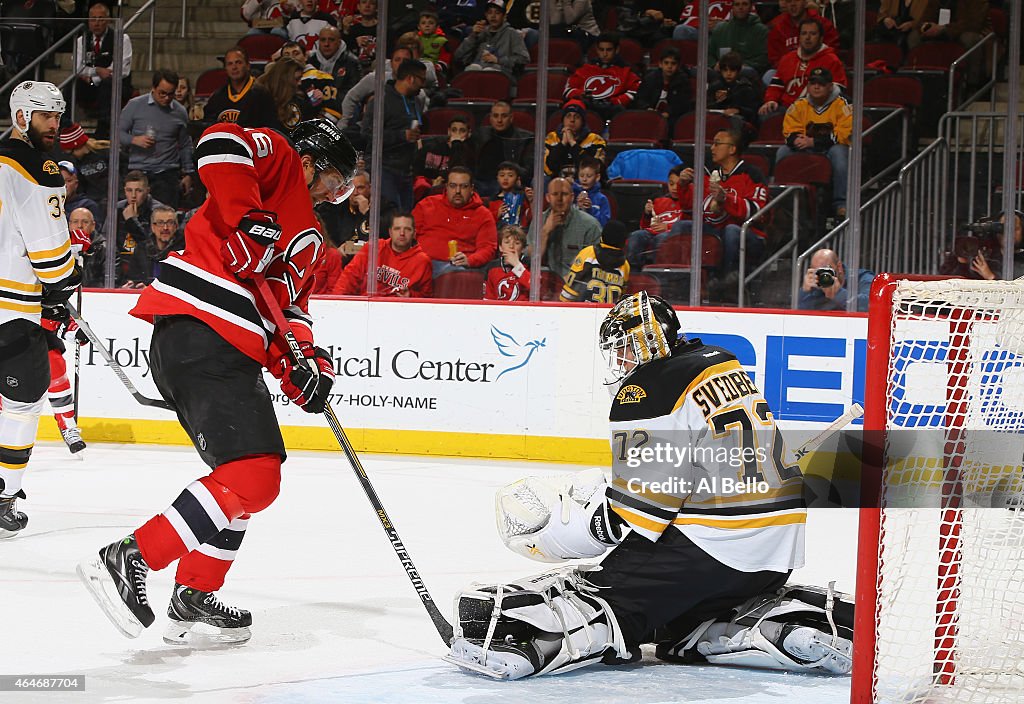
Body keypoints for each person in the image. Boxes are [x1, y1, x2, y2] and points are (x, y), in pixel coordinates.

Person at [447, 291, 854, 679]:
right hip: (775, 551)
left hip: (713, 546)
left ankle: (522, 641)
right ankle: (773, 627)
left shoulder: (645, 390)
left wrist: (571, 530)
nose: (621, 359)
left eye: (625, 346)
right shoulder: (720, 362)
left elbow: (641, 507)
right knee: (676, 626)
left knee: (602, 598)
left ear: (648, 341)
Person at [77, 118, 358, 644]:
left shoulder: (309, 238)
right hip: (199, 329)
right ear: (313, 161)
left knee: (240, 479)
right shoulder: (278, 162)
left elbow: (288, 312)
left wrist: (304, 367)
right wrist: (249, 218)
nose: (330, 194)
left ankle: (195, 593)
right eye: (332, 179)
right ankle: (133, 555)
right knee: (255, 476)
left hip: (223, 347)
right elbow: (220, 140)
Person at [0, 82, 83, 537]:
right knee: (23, 399)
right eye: (44, 116)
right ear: (20, 117)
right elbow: (51, 253)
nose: (54, 124)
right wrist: (62, 282)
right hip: (13, 307)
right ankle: (3, 495)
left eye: (57, 115)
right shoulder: (38, 167)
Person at [676, 128, 768, 286]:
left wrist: (726, 199)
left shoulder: (751, 174)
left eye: (717, 144)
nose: (712, 148)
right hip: (714, 230)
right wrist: (683, 185)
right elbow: (689, 207)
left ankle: (725, 283)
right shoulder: (708, 174)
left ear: (732, 149)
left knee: (731, 231)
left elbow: (758, 212)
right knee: (682, 226)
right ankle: (677, 281)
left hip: (747, 234)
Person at [776, 67, 852, 218]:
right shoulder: (799, 104)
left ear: (830, 86)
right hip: (806, 146)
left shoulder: (843, 104)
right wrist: (796, 139)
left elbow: (845, 132)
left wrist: (814, 142)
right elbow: (789, 129)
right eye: (813, 83)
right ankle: (780, 200)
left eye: (822, 84)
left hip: (831, 148)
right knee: (783, 151)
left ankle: (841, 203)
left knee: (840, 153)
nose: (816, 87)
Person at [119, 69, 196, 209]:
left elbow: (185, 145)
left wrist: (188, 173)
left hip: (167, 175)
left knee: (165, 218)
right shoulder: (134, 105)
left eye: (170, 94)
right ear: (153, 88)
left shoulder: (180, 112)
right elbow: (117, 133)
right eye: (162, 93)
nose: (166, 98)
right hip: (138, 172)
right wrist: (134, 140)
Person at [362, 59, 427, 212]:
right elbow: (366, 133)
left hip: (406, 170)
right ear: (410, 78)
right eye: (421, 79)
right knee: (390, 217)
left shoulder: (416, 101)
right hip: (384, 169)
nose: (423, 84)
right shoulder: (380, 101)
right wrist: (401, 136)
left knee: (405, 217)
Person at [413, 167, 498, 276]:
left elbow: (488, 248)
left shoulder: (483, 214)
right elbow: (409, 235)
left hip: (456, 268)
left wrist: (470, 260)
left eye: (464, 186)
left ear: (472, 189)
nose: (457, 191)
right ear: (446, 187)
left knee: (456, 274)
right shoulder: (426, 205)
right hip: (421, 262)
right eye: (453, 186)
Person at [759, 17, 847, 119]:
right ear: (799, 37)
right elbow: (776, 86)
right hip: (787, 108)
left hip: (815, 110)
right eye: (804, 33)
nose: (807, 37)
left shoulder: (831, 60)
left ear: (821, 38)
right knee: (766, 114)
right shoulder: (787, 58)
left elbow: (837, 91)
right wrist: (771, 100)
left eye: (813, 34)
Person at [70, 2, 134, 138]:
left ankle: (104, 128)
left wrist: (93, 77)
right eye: (93, 19)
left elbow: (120, 70)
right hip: (91, 86)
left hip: (117, 85)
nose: (97, 23)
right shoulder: (82, 40)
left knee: (108, 83)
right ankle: (66, 125)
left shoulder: (122, 38)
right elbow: (77, 68)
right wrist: (97, 71)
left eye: (101, 19)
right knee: (71, 85)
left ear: (109, 20)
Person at [331, 212, 433, 296]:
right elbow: (349, 277)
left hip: (399, 312)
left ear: (414, 233)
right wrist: (337, 302)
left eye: (407, 229)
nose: (402, 233)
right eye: (397, 229)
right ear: (390, 232)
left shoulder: (422, 261)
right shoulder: (373, 248)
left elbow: (427, 297)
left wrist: (410, 295)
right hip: (366, 307)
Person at [563, 32, 641, 121]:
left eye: (609, 50)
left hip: (613, 109)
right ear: (597, 49)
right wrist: (581, 94)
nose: (604, 54)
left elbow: (635, 91)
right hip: (587, 107)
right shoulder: (586, 68)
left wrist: (616, 101)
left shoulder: (626, 70)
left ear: (617, 49)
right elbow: (568, 90)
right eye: (601, 49)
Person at [625, 164, 687, 270]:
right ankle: (633, 273)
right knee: (636, 236)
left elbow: (689, 224)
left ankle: (658, 273)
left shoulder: (690, 202)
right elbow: (644, 227)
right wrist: (647, 213)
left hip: (672, 235)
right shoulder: (659, 200)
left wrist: (668, 227)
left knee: (661, 238)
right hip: (652, 233)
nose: (674, 188)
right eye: (671, 184)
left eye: (678, 184)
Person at [538, 177, 602, 280]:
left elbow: (597, 266)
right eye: (555, 194)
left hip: (578, 287)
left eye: (564, 194)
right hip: (544, 286)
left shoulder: (590, 225)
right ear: (548, 198)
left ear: (572, 197)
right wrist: (545, 232)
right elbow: (530, 260)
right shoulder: (538, 221)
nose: (559, 199)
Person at [204, 46, 278, 127]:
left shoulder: (262, 94)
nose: (234, 67)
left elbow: (271, 127)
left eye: (238, 62)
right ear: (226, 68)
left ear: (247, 66)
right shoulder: (217, 97)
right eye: (230, 64)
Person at [473, 100, 534, 198]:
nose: (499, 120)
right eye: (496, 116)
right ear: (490, 118)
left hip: (505, 183)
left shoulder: (525, 138)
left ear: (511, 118)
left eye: (504, 116)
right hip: (479, 182)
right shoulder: (481, 134)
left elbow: (528, 169)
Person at [559, 219, 630, 303]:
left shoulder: (588, 252)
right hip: (609, 313)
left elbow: (571, 288)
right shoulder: (625, 265)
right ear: (624, 241)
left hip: (585, 311)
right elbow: (621, 296)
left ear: (602, 235)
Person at [453, 0, 530, 76]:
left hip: (501, 74)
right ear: (486, 15)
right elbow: (458, 57)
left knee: (490, 71)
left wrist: (498, 60)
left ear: (504, 16)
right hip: (477, 70)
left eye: (497, 13)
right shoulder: (480, 33)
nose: (493, 16)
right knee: (472, 69)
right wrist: (473, 36)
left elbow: (523, 59)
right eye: (490, 13)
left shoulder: (513, 34)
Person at [116, 171, 166, 286]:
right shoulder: (118, 208)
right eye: (129, 190)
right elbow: (108, 240)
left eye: (138, 191)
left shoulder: (157, 211)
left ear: (147, 191)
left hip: (145, 266)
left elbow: (151, 246)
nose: (133, 196)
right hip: (122, 264)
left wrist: (131, 221)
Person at [766, 0, 840, 77]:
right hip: (788, 71)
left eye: (797, 0)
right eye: (789, 1)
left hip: (817, 72)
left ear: (805, 2)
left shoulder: (822, 24)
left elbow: (832, 50)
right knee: (769, 75)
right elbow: (775, 58)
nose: (793, 4)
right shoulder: (778, 28)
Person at [412, 116, 475, 201]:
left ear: (469, 133)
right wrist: (432, 181)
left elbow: (458, 173)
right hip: (428, 182)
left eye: (462, 131)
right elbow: (417, 169)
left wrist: (456, 145)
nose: (457, 134)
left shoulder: (470, 151)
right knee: (421, 185)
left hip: (450, 185)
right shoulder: (431, 145)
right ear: (449, 131)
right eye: (454, 130)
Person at [121, 206, 183, 289]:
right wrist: (132, 285)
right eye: (160, 223)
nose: (165, 228)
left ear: (176, 227)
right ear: (152, 227)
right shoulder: (141, 249)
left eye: (170, 223)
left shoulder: (183, 252)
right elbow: (133, 278)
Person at [543, 100, 607, 178]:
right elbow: (548, 169)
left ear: (582, 121)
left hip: (585, 182)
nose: (572, 120)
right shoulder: (552, 138)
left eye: (577, 117)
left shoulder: (595, 140)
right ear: (563, 120)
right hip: (557, 183)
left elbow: (596, 168)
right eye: (568, 116)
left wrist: (573, 143)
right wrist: (563, 144)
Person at [708, 0, 770, 80]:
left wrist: (739, 66)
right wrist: (714, 64)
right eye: (737, 4)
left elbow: (763, 58)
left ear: (751, 7)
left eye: (744, 4)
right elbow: (708, 54)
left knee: (746, 71)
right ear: (732, 7)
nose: (740, 7)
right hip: (721, 71)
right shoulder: (720, 29)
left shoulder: (761, 30)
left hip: (747, 73)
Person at [634, 47, 693, 129]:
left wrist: (668, 112)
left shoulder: (683, 82)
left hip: (672, 119)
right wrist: (647, 108)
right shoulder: (650, 79)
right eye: (666, 63)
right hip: (649, 115)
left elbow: (683, 104)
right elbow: (640, 99)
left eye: (673, 63)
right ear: (660, 64)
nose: (669, 66)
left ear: (678, 66)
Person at [799, 248, 874, 312]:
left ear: (839, 267)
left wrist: (839, 293)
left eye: (826, 269)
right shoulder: (816, 283)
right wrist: (804, 292)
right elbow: (798, 317)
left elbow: (872, 306)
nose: (823, 276)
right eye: (818, 271)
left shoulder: (862, 278)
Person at [256, 57, 317, 134]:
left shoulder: (300, 98)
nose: (299, 83)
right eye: (296, 79)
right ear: (284, 79)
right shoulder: (259, 98)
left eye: (300, 78)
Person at [484, 225, 531, 301]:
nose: (511, 246)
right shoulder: (492, 267)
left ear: (523, 249)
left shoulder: (530, 264)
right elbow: (488, 299)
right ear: (500, 247)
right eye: (507, 242)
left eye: (517, 243)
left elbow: (536, 288)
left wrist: (517, 265)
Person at [59, 160, 104, 231]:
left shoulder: (88, 206)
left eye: (69, 181)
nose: (64, 185)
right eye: (60, 181)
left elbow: (95, 234)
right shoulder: (47, 206)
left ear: (76, 184)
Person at [487, 162, 532, 229]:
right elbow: (486, 222)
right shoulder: (492, 201)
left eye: (510, 175)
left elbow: (530, 217)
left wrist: (531, 201)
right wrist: (497, 214)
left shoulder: (522, 197)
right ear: (497, 178)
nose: (505, 178)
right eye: (502, 175)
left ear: (517, 179)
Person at [573, 157, 611, 226]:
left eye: (589, 176)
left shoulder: (602, 199)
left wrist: (590, 210)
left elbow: (604, 224)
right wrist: (576, 208)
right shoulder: (572, 195)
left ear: (597, 177)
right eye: (581, 176)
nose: (584, 179)